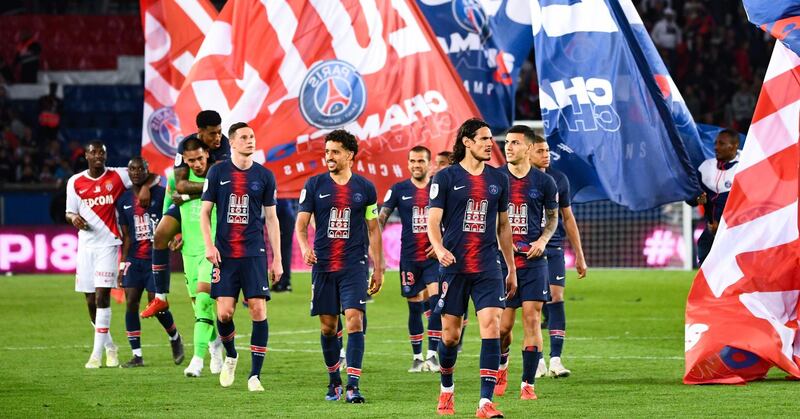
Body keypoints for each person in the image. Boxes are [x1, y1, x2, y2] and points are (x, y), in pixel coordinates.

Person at [428, 118, 516, 417]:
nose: (490, 144)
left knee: (491, 325)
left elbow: (504, 226)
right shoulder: (445, 177)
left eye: (491, 139)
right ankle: (447, 388)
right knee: (450, 337)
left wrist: (511, 268)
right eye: (484, 139)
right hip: (454, 266)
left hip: (488, 266)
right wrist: (439, 248)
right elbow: (433, 219)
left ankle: (485, 402)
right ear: (467, 141)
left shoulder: (499, 179)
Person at [295, 129, 384, 403]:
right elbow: (300, 226)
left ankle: (353, 386)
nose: (329, 157)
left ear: (349, 155)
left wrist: (378, 267)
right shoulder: (314, 185)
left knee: (355, 320)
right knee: (328, 328)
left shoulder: (365, 188)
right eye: (326, 152)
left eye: (334, 152)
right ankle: (334, 380)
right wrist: (305, 248)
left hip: (354, 265)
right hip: (323, 267)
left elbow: (373, 228)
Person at [200, 122, 282, 392]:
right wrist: (209, 246)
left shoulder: (265, 176)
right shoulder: (217, 172)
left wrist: (277, 258)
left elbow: (271, 218)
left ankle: (255, 375)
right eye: (244, 137)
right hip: (224, 254)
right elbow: (204, 213)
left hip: (254, 253)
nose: (250, 141)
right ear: (232, 142)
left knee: (258, 309)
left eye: (252, 137)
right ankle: (232, 355)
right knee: (224, 314)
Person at [65, 140, 156, 368]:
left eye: (101, 153)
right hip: (86, 247)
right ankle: (109, 346)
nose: (98, 156)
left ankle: (96, 355)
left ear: (106, 156)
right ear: (86, 155)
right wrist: (74, 219)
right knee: (89, 301)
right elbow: (69, 212)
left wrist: (145, 186)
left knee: (101, 296)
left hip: (109, 244)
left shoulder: (118, 176)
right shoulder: (75, 182)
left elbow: (152, 175)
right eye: (93, 152)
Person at [142, 110, 230, 318]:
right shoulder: (185, 146)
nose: (217, 138)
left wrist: (189, 194)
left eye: (219, 132)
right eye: (212, 134)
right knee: (161, 235)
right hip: (188, 206)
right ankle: (161, 298)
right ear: (200, 132)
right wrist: (194, 190)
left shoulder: (224, 145)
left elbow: (218, 184)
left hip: (211, 206)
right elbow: (180, 184)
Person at [494, 126, 559, 400]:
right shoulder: (495, 178)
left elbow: (553, 218)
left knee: (532, 319)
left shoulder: (545, 183)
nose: (508, 147)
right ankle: (502, 363)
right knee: (502, 327)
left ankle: (528, 384)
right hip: (500, 261)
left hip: (533, 261)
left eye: (515, 143)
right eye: (507, 142)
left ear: (529, 148)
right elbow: (492, 222)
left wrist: (542, 241)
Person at [161, 138, 224, 377]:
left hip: (212, 251)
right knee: (200, 309)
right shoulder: (174, 180)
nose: (197, 164)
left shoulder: (219, 175)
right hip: (189, 253)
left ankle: (197, 360)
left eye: (200, 158)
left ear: (207, 154)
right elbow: (169, 207)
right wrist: (173, 232)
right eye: (191, 161)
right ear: (184, 161)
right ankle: (215, 346)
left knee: (205, 301)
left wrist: (187, 197)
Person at [115, 157, 184, 368]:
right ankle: (137, 355)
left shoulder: (161, 192)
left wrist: (176, 236)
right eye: (132, 169)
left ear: (147, 170)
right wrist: (122, 265)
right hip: (134, 259)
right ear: (128, 172)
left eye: (140, 168)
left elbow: (174, 217)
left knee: (158, 304)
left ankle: (174, 337)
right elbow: (127, 236)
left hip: (156, 258)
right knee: (131, 302)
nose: (136, 172)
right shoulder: (124, 200)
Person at [379, 145, 442, 372]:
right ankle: (417, 357)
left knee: (436, 304)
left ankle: (433, 355)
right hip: (409, 258)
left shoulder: (438, 187)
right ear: (408, 164)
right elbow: (382, 217)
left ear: (429, 163)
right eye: (413, 161)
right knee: (414, 308)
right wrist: (374, 245)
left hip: (434, 257)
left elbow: (453, 218)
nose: (417, 165)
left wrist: (441, 245)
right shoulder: (399, 189)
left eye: (421, 161)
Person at [530, 135, 588, 378]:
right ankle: (537, 359)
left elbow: (568, 217)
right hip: (529, 248)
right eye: (541, 151)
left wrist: (580, 255)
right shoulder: (516, 179)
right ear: (529, 151)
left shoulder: (559, 179)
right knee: (533, 305)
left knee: (556, 296)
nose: (547, 155)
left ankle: (555, 359)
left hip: (553, 246)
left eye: (548, 150)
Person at [686, 129, 740, 265]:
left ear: (734, 146)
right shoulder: (706, 167)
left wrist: (722, 224)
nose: (716, 147)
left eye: (721, 144)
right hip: (712, 226)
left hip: (737, 228)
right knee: (704, 249)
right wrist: (696, 200)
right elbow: (691, 197)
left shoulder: (746, 166)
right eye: (715, 143)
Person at [271, 198, 296, 292]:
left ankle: (282, 282)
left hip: (284, 208)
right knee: (281, 248)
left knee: (282, 248)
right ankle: (281, 283)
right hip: (283, 208)